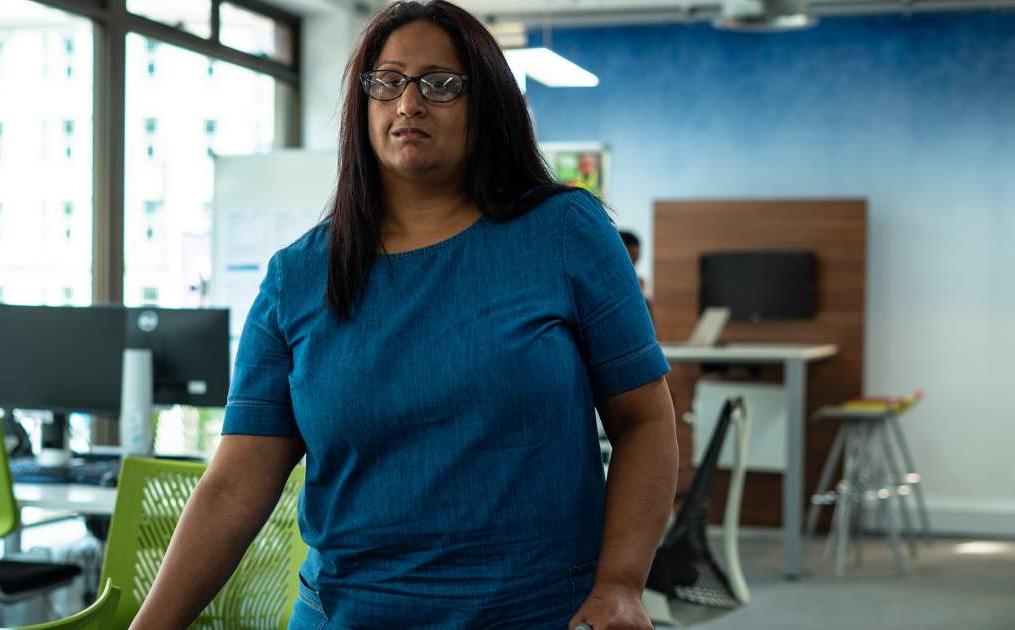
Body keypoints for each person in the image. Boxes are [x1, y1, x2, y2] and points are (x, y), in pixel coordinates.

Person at [130, 2, 677, 629]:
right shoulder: (299, 277)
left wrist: (622, 583)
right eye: (387, 82)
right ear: (363, 105)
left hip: (538, 614)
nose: (409, 104)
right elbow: (232, 489)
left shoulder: (563, 233)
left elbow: (644, 421)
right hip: (348, 615)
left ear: (487, 104)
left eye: (441, 84)